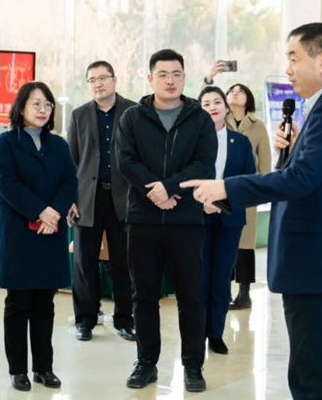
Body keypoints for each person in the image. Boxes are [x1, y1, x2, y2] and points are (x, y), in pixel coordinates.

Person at [182, 23, 322, 400]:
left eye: (294, 58)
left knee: (317, 374)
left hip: (320, 262)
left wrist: (226, 188)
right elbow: (311, 175)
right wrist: (288, 151)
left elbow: (301, 179)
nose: (287, 69)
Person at [116, 49, 218, 393]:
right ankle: (146, 363)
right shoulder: (132, 117)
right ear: (150, 79)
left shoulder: (199, 119)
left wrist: (170, 188)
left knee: (191, 296)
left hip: (185, 220)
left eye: (176, 74)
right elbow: (125, 160)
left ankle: (193, 366)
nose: (170, 81)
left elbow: (204, 163)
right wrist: (155, 191)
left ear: (184, 78)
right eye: (162, 74)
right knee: (143, 295)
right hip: (142, 220)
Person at [0, 81, 78, 392]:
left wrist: (53, 212)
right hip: (19, 232)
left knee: (45, 303)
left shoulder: (59, 145)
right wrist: (40, 211)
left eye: (48, 105)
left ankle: (44, 367)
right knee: (18, 303)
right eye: (36, 104)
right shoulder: (6, 143)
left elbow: (70, 182)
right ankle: (18, 370)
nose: (43, 110)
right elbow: (7, 183)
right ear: (22, 107)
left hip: (51, 231)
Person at [66, 60, 136, 343]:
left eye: (103, 78)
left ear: (115, 80)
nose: (98, 84)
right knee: (84, 263)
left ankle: (125, 320)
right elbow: (71, 161)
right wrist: (70, 199)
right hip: (87, 199)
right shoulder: (79, 115)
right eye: (92, 79)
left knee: (123, 263)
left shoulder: (133, 112)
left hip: (124, 199)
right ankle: (85, 320)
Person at [197, 85, 255, 355]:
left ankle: (216, 333)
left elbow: (249, 180)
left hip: (230, 220)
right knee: (200, 279)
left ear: (226, 106)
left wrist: (224, 203)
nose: (212, 107)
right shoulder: (193, 142)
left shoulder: (240, 142)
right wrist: (204, 203)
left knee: (221, 279)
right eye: (206, 103)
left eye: (217, 101)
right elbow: (184, 180)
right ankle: (198, 333)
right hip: (198, 218)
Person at [225, 82, 271, 309]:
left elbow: (265, 161)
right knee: (223, 242)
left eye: (240, 91)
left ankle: (244, 294)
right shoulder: (217, 120)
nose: (235, 93)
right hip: (221, 189)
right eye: (231, 91)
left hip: (246, 191)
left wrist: (259, 190)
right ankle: (222, 290)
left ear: (248, 99)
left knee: (245, 245)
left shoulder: (257, 125)